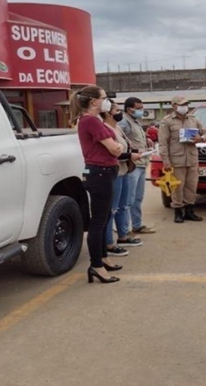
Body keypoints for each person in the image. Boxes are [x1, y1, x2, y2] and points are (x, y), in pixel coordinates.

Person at [68, 85, 133, 284]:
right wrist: (118, 146)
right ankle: (96, 265)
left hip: (105, 172)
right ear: (94, 101)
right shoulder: (90, 121)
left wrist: (120, 148)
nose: (107, 101)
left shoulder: (94, 120)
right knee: (98, 221)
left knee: (104, 218)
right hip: (100, 174)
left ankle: (103, 257)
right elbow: (114, 149)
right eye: (104, 98)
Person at [158, 96, 206, 223]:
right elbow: (163, 143)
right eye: (182, 104)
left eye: (186, 104)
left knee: (191, 186)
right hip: (176, 159)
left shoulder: (193, 119)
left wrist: (201, 138)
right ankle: (178, 211)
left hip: (192, 158)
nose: (184, 106)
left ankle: (189, 211)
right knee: (177, 187)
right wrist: (165, 161)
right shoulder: (167, 121)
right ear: (174, 106)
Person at [102, 101, 143, 255]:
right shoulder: (105, 129)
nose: (120, 113)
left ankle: (123, 236)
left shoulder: (117, 127)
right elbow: (115, 151)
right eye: (117, 110)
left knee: (123, 206)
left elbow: (126, 145)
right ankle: (108, 243)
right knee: (112, 209)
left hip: (125, 169)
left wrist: (140, 150)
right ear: (108, 113)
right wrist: (131, 154)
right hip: (115, 172)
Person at [118, 97, 156, 234]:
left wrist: (147, 139)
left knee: (137, 198)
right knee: (128, 199)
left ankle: (137, 225)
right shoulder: (123, 121)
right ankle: (124, 229)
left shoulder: (135, 121)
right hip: (132, 165)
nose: (141, 111)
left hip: (141, 163)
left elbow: (134, 137)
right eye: (139, 108)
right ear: (129, 109)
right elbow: (119, 138)